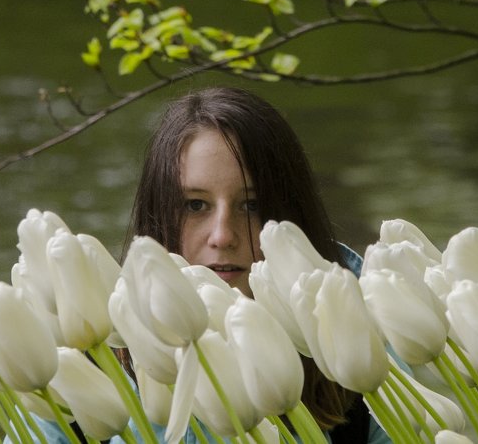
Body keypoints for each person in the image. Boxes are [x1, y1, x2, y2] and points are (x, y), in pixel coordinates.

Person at [28, 87, 390, 443]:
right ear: (157, 218)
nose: (222, 236)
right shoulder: (89, 364)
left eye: (251, 205)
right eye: (195, 205)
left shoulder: (357, 337)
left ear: (291, 216)